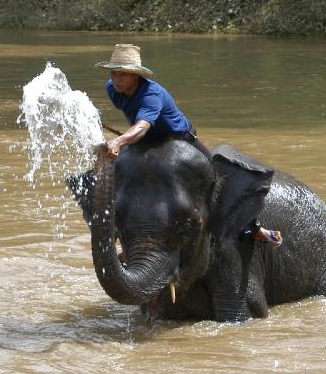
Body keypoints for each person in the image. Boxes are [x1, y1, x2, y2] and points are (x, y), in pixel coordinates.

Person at [96, 43, 282, 247]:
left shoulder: (151, 94)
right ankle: (125, 237)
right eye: (113, 73)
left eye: (122, 74)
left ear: (136, 76)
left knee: (218, 182)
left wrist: (119, 141)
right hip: (147, 142)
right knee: (115, 177)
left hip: (181, 141)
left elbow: (141, 126)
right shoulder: (112, 89)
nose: (116, 79)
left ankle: (253, 228)